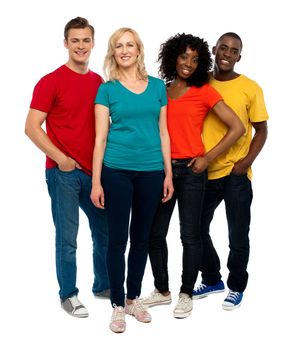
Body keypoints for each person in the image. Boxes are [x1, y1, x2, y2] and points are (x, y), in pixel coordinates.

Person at [142, 33, 245, 318]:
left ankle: (186, 293)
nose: (188, 63)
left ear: (201, 63)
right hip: (162, 171)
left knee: (190, 235)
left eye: (195, 59)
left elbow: (237, 128)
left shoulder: (204, 91)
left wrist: (208, 157)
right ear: (172, 56)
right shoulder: (161, 90)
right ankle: (162, 290)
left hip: (192, 172)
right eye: (183, 56)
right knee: (155, 233)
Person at [24, 17, 109, 318]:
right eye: (75, 40)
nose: (81, 46)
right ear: (66, 43)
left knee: (105, 232)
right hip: (64, 174)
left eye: (86, 40)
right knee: (68, 237)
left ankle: (103, 286)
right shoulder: (51, 81)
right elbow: (32, 127)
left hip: (94, 173)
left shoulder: (98, 81)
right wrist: (60, 158)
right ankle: (69, 295)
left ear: (93, 43)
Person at [90, 27, 174, 333]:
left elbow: (164, 133)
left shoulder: (157, 87)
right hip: (116, 171)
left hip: (152, 171)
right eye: (118, 46)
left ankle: (133, 298)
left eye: (129, 45)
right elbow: (100, 139)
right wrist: (97, 181)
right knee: (117, 240)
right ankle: (116, 305)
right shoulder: (107, 89)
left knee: (141, 238)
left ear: (138, 50)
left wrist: (167, 173)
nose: (124, 50)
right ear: (113, 53)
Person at [192, 32, 269, 310]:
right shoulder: (200, 83)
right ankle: (212, 278)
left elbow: (261, 130)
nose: (227, 53)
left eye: (233, 50)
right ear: (214, 50)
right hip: (202, 172)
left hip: (235, 175)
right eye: (223, 47)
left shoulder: (251, 88)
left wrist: (245, 163)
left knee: (238, 234)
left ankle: (236, 286)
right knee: (195, 230)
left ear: (239, 56)